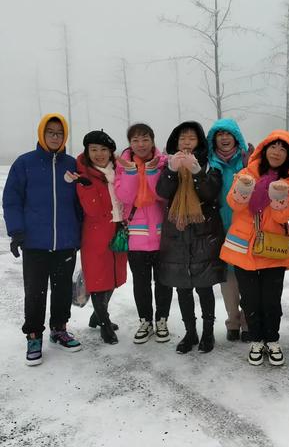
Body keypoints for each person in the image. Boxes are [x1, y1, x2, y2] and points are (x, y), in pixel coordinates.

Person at [2, 113, 82, 366]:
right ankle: (34, 335)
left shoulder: (72, 164)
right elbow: (11, 199)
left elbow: (81, 202)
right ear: (41, 134)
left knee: (62, 290)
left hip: (66, 242)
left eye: (59, 133)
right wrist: (16, 232)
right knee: (35, 292)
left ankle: (59, 329)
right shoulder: (25, 163)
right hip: (35, 243)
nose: (55, 137)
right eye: (51, 132)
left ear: (65, 135)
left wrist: (81, 233)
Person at [220, 130, 289, 366]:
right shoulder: (245, 173)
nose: (277, 152)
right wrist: (244, 189)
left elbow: (285, 214)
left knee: (271, 300)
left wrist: (278, 196)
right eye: (273, 147)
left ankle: (272, 340)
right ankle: (256, 340)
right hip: (244, 247)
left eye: (283, 149)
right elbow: (233, 203)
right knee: (251, 300)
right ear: (264, 150)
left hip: (272, 249)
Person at [156, 121, 226, 354]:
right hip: (176, 234)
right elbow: (162, 193)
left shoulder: (210, 165)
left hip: (203, 233)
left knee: (204, 287)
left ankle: (207, 332)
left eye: (191, 138)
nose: (186, 142)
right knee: (182, 288)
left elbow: (211, 193)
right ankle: (190, 332)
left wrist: (197, 172)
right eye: (182, 138)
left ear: (200, 142)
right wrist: (172, 171)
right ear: (175, 142)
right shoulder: (168, 165)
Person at [65, 130, 127, 345]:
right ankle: (105, 324)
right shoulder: (84, 175)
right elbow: (92, 210)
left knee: (112, 277)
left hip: (118, 231)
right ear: (87, 151)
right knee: (99, 279)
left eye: (103, 149)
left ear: (111, 151)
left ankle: (98, 315)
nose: (99, 154)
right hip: (95, 234)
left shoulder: (118, 171)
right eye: (94, 150)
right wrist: (87, 186)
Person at [114, 123, 173, 344]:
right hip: (136, 237)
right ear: (130, 143)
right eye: (135, 140)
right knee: (141, 283)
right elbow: (125, 197)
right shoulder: (123, 166)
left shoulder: (164, 163)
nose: (140, 144)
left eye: (145, 139)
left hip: (161, 236)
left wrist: (150, 171)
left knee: (163, 282)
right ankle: (145, 321)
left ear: (153, 140)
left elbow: (162, 194)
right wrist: (130, 171)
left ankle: (162, 320)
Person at [206, 118, 252, 342]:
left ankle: (247, 322)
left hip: (245, 227)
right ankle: (233, 322)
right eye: (219, 134)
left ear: (236, 137)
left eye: (228, 134)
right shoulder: (208, 163)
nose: (224, 138)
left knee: (247, 276)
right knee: (228, 279)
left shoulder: (247, 160)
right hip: (220, 227)